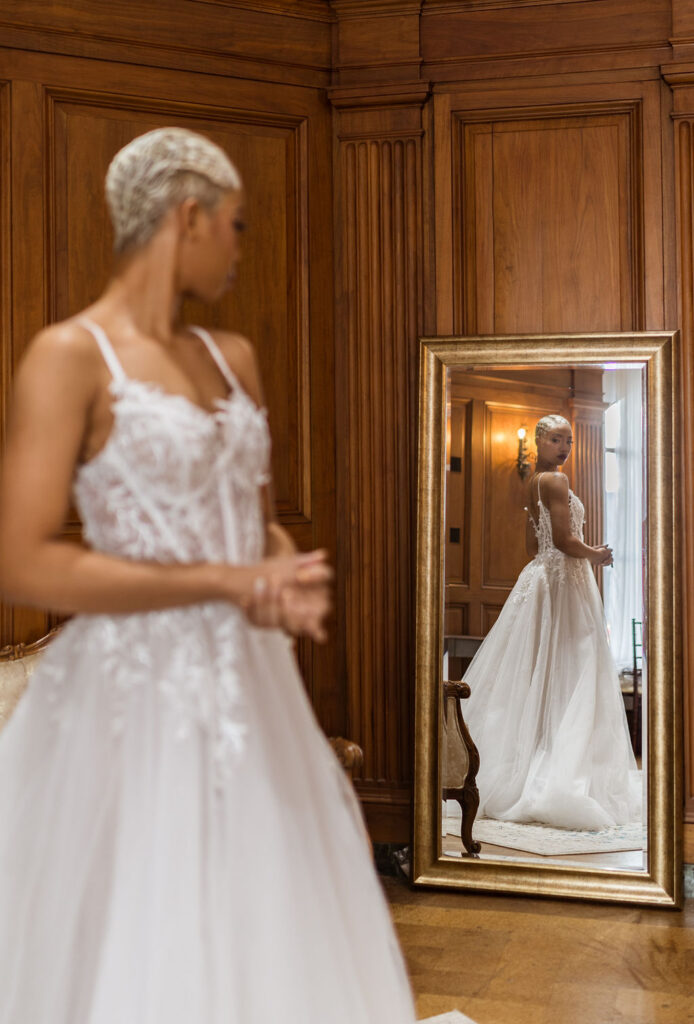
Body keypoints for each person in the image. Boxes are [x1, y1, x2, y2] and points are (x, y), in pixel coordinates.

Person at [0, 127, 416, 1023]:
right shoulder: (69, 357)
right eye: (234, 224)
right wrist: (224, 583)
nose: (239, 244)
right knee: (144, 924)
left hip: (249, 689)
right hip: (127, 698)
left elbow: (252, 515)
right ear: (186, 217)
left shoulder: (236, 358)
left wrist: (277, 571)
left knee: (262, 912)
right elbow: (25, 558)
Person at [459, 414, 641, 830]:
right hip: (563, 583)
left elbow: (532, 543)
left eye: (569, 440)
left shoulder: (536, 481)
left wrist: (558, 563)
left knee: (545, 671)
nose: (565, 447)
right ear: (539, 442)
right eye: (556, 439)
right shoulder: (555, 482)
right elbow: (562, 540)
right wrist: (596, 555)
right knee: (572, 668)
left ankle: (539, 757)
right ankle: (559, 768)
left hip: (547, 578)